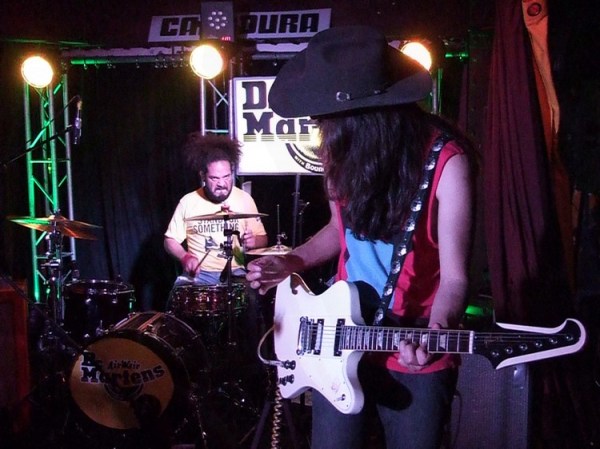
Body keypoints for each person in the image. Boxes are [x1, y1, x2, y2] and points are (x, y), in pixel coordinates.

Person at [246, 26, 476, 449]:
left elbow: (456, 277)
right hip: (339, 339)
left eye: (327, 121)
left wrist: (436, 332)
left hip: (412, 344)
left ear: (365, 121)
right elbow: (340, 231)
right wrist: (293, 260)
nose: (320, 130)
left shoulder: (448, 163)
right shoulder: (341, 156)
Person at [164, 132, 268, 286]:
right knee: (179, 292)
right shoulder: (188, 201)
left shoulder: (244, 199)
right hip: (201, 275)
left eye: (226, 176)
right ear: (203, 176)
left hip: (236, 272)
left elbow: (263, 239)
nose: (222, 184)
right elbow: (170, 240)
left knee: (251, 293)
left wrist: (254, 241)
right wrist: (185, 257)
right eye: (214, 178)